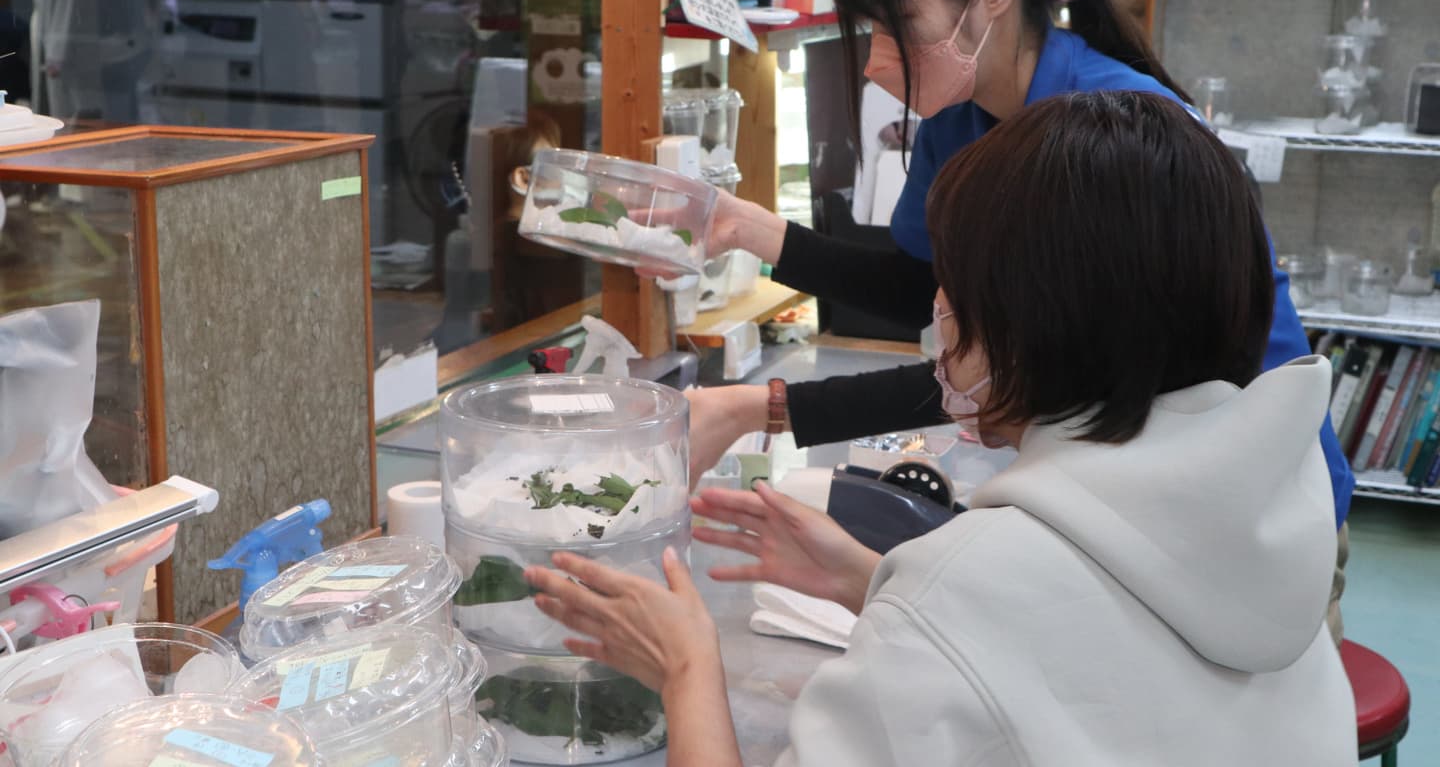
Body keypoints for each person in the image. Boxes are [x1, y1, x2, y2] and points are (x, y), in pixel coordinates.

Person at [526, 91, 1357, 767]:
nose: (938, 321)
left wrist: (685, 667)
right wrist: (875, 581)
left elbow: (1003, 629)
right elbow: (1092, 670)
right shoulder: (1273, 521)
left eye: (955, 295)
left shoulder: (965, 590)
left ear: (1037, 328)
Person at [682, 0, 1353, 617]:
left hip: (1249, 513)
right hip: (1134, 490)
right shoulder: (960, 121)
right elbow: (930, 293)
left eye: (898, 25)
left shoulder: (1108, 142)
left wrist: (761, 407)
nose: (876, 63)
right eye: (867, 29)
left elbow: (1010, 370)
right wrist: (750, 229)